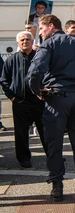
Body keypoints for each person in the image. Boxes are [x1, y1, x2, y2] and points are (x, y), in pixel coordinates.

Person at [27, 15, 75, 202]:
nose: (41, 32)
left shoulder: (49, 44)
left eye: (41, 28)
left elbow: (35, 71)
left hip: (56, 99)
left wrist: (37, 90)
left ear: (51, 26)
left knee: (55, 144)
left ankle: (57, 186)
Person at [1, 32, 48, 166]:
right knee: (21, 133)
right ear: (17, 42)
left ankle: (52, 156)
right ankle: (24, 159)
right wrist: (12, 96)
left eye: (28, 39)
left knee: (45, 131)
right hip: (20, 102)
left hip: (39, 100)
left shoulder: (39, 58)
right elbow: (4, 80)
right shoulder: (12, 60)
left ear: (32, 41)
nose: (25, 42)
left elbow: (47, 75)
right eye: (22, 40)